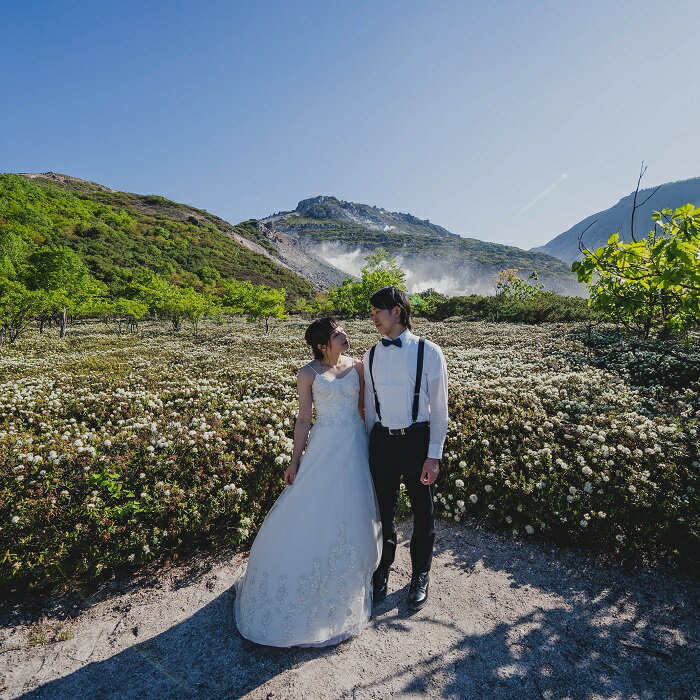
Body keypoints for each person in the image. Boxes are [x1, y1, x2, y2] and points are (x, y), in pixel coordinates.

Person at [234, 317, 382, 647]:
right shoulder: (308, 373)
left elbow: (363, 409)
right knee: (311, 507)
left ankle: (349, 582)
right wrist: (294, 459)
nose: (345, 335)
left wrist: (374, 447)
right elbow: (303, 418)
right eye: (337, 333)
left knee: (352, 511)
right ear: (321, 344)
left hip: (354, 445)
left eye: (343, 330)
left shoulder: (358, 366)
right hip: (324, 446)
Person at [364, 287, 448, 611]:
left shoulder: (430, 352)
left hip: (417, 439)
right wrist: (368, 445)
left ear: (396, 311)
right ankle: (382, 570)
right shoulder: (370, 355)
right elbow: (371, 409)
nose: (372, 318)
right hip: (383, 440)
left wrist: (434, 455)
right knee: (382, 511)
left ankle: (420, 574)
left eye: (376, 312)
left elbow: (440, 409)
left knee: (422, 512)